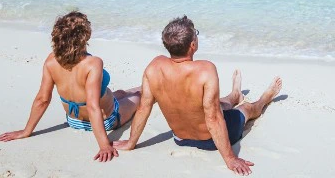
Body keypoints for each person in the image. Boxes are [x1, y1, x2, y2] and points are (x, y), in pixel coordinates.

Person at [114, 16, 283, 176]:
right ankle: (264, 100)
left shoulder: (154, 67)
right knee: (246, 108)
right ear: (193, 45)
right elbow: (214, 119)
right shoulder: (205, 70)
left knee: (218, 104)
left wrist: (130, 142)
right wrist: (230, 158)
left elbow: (144, 107)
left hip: (179, 138)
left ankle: (234, 94)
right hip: (210, 141)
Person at [0, 11, 141, 162]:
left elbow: (42, 100)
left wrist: (26, 131)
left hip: (73, 120)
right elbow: (93, 107)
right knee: (139, 96)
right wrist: (104, 145)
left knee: (120, 93)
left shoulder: (51, 61)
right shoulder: (93, 64)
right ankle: (144, 87)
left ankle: (132, 90)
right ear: (86, 35)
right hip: (107, 120)